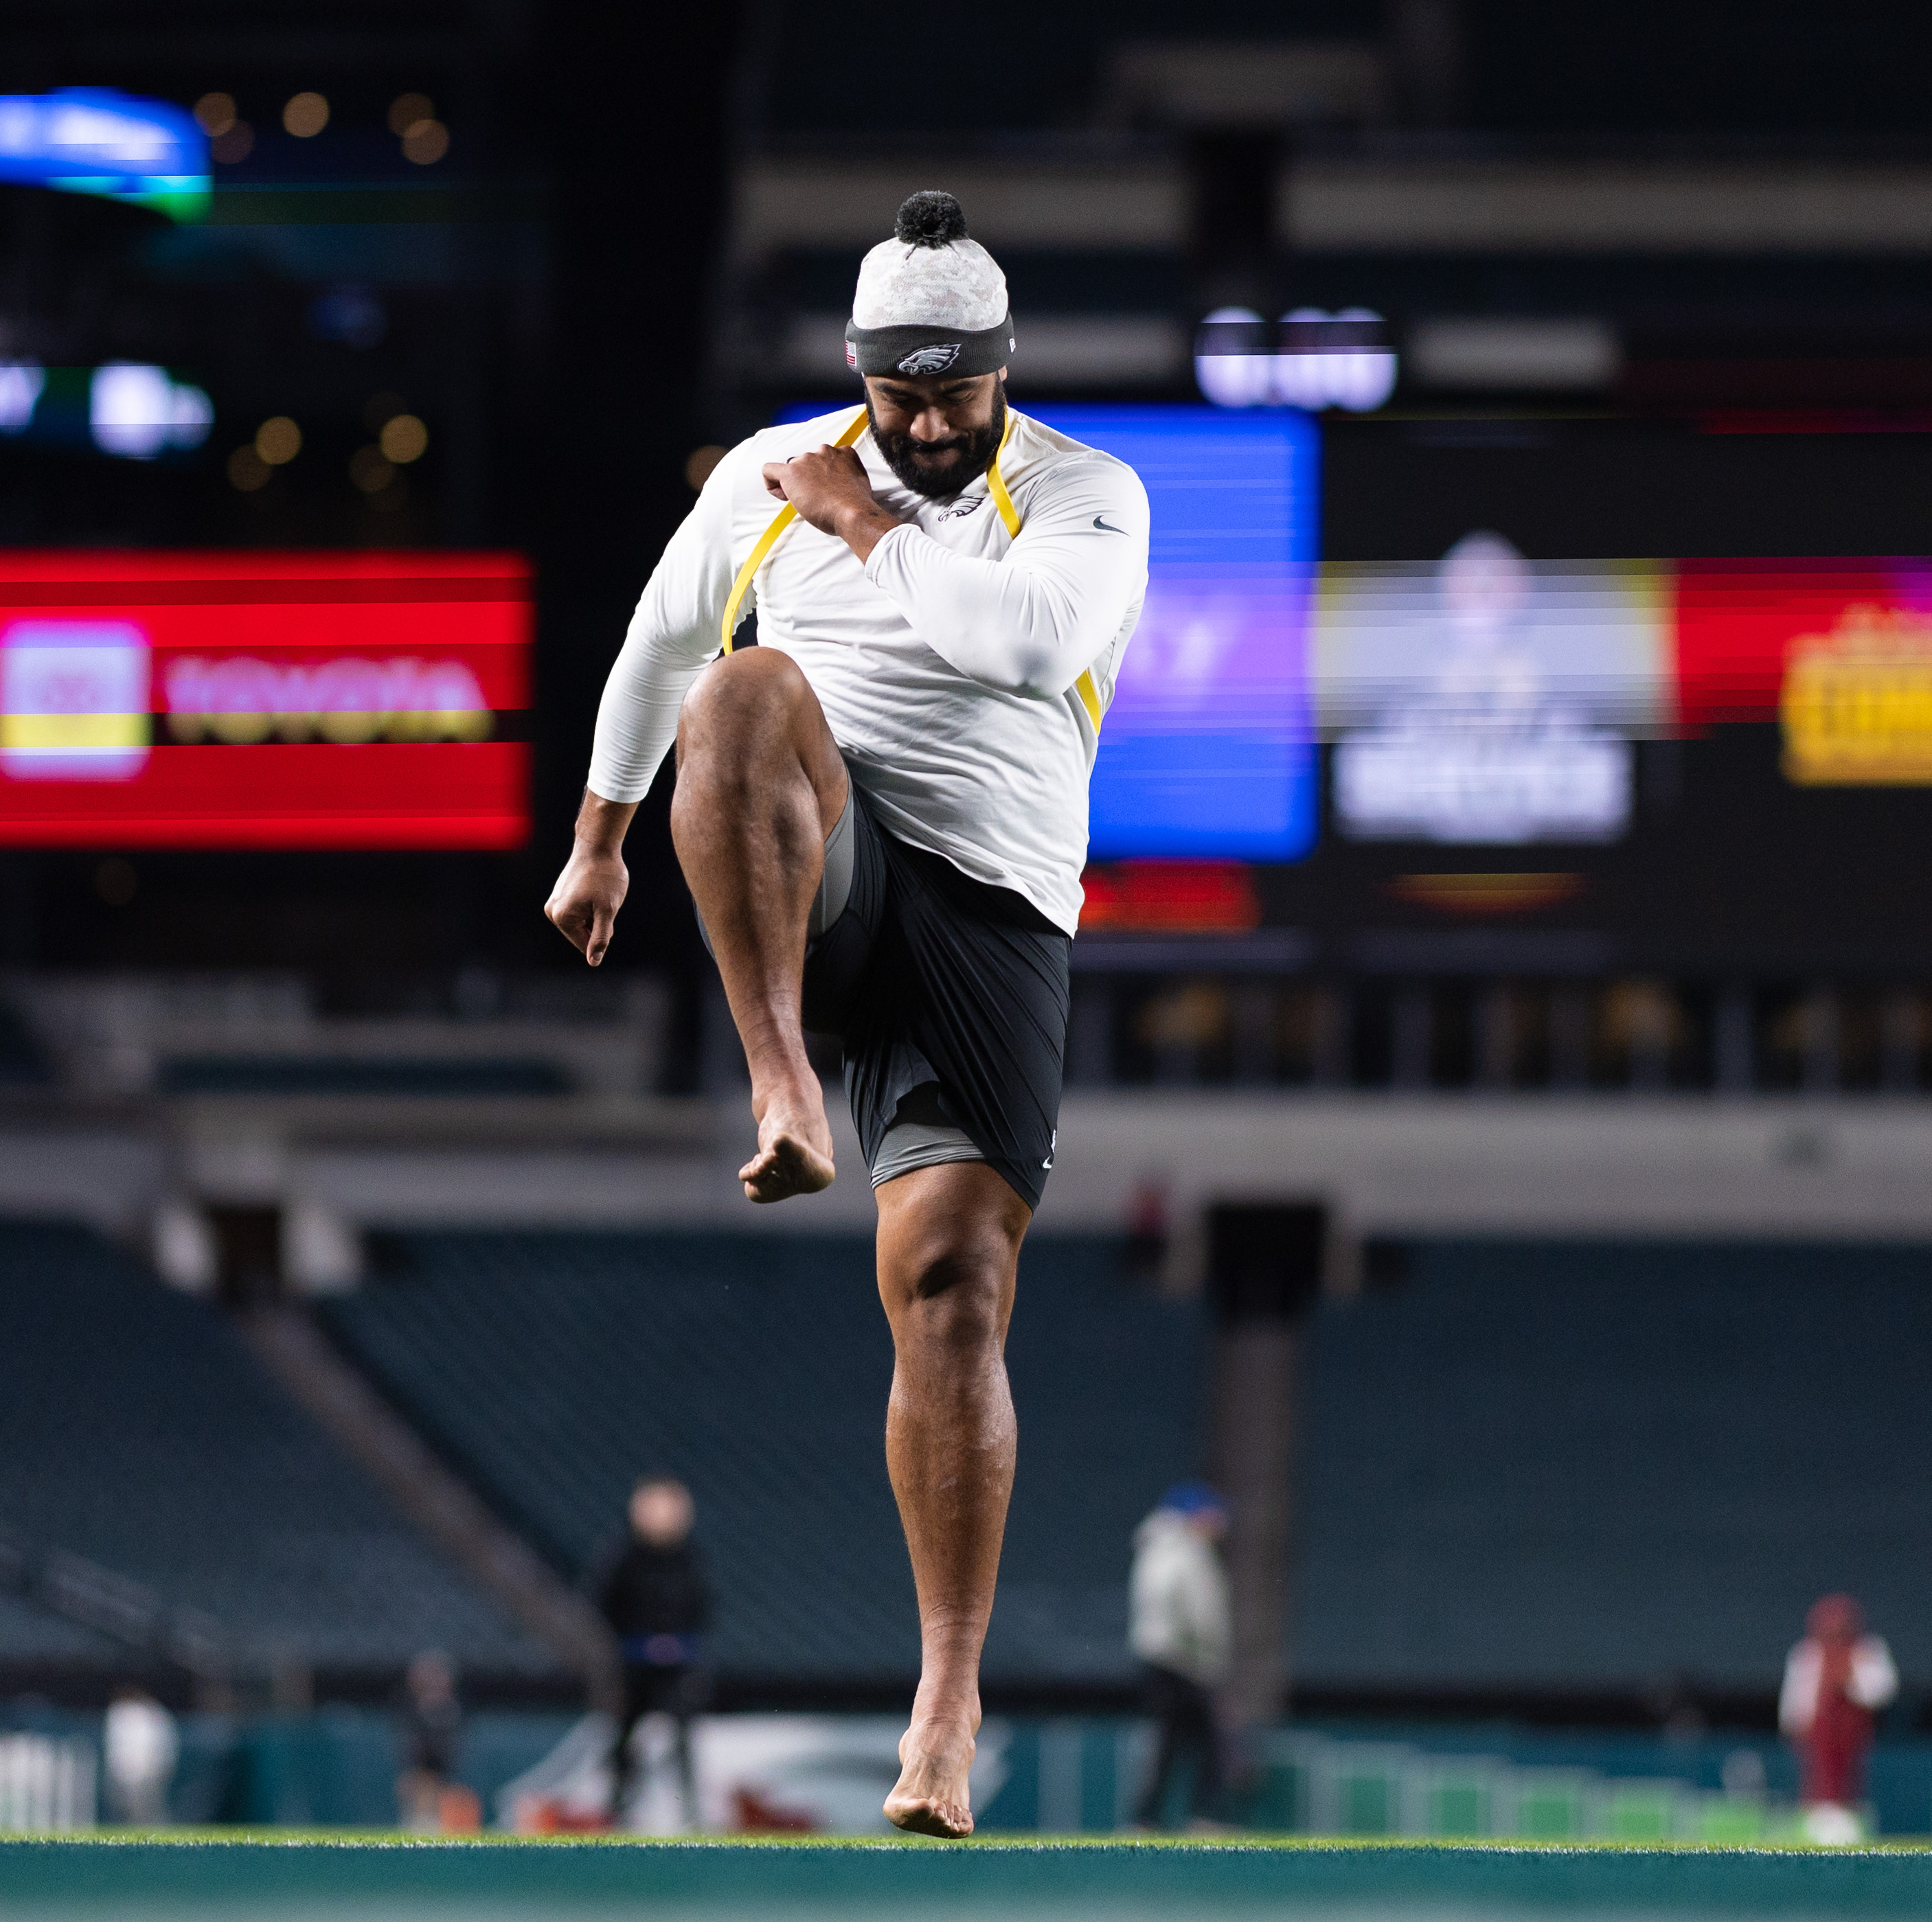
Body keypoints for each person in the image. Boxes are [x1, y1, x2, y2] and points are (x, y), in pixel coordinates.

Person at [544, 189, 1150, 1838]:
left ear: (1003, 369)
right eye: (900, 396)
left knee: (951, 1287)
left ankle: (943, 1700)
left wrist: (867, 520)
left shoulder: (1084, 494)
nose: (931, 424)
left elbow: (1018, 644)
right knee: (741, 685)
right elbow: (657, 641)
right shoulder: (770, 472)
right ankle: (782, 1079)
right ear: (860, 373)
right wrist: (598, 837)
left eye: (959, 393)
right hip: (829, 871)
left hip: (994, 910)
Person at [593, 1477, 712, 1829]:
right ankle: (617, 1808)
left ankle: (690, 1813)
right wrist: (631, 1639)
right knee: (624, 1737)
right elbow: (605, 1602)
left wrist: (677, 1641)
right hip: (633, 1664)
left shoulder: (690, 1560)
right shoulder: (624, 1558)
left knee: (682, 1738)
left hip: (678, 1665)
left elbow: (703, 1606)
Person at [1128, 1481, 1233, 1830]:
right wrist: (1204, 1646)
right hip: (1179, 1661)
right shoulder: (1178, 1547)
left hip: (1173, 1659)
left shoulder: (1166, 1544)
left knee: (1172, 1742)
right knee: (1202, 1741)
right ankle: (1199, 1817)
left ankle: (1151, 1817)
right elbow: (1181, 1604)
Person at [1780, 1592, 1897, 1844]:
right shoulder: (1806, 1654)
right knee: (1818, 1784)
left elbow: (1882, 1691)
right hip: (1818, 1734)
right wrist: (1796, 1723)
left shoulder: (1868, 1650)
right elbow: (1795, 1699)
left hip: (1856, 1732)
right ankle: (1818, 1829)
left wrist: (1849, 1680)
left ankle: (1851, 1828)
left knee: (1854, 1784)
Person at [396, 1651, 477, 1831]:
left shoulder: (452, 1710)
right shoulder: (411, 1707)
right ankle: (417, 1825)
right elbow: (410, 1744)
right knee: (418, 1798)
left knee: (434, 1802)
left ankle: (429, 1823)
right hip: (420, 1767)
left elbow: (448, 1746)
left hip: (440, 1767)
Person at [102, 1685, 178, 1827]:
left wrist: (159, 1768)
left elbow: (163, 1745)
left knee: (149, 1808)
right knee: (123, 1808)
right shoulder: (119, 1713)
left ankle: (157, 1831)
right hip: (126, 1772)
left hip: (147, 1771)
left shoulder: (151, 1714)